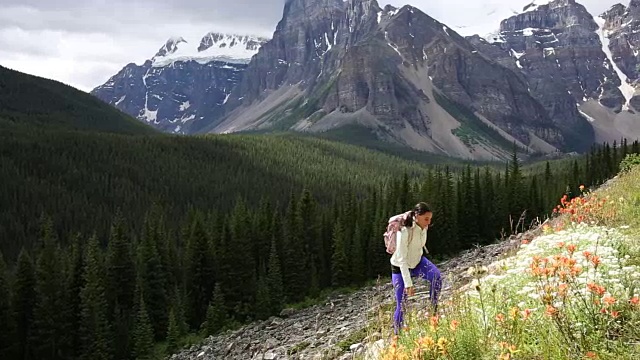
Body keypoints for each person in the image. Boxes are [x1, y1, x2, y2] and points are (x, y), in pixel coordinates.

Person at [390, 202, 441, 333]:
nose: (428, 222)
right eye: (426, 219)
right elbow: (401, 258)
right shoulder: (404, 230)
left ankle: (433, 313)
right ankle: (397, 335)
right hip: (400, 267)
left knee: (436, 277)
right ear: (417, 216)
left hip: (418, 262)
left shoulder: (423, 227)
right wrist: (408, 284)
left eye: (430, 219)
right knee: (402, 304)